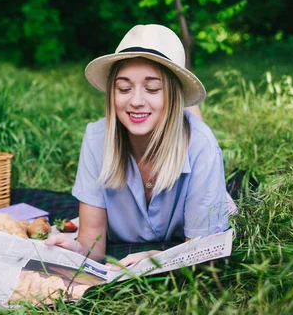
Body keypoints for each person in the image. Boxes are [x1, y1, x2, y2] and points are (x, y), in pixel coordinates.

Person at [45, 24, 235, 269]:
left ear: (173, 94)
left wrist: (158, 258)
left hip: (192, 150)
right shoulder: (96, 138)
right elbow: (91, 243)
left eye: (152, 88)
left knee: (197, 137)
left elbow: (203, 253)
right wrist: (76, 249)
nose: (135, 101)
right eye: (123, 88)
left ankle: (188, 114)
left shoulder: (202, 146)